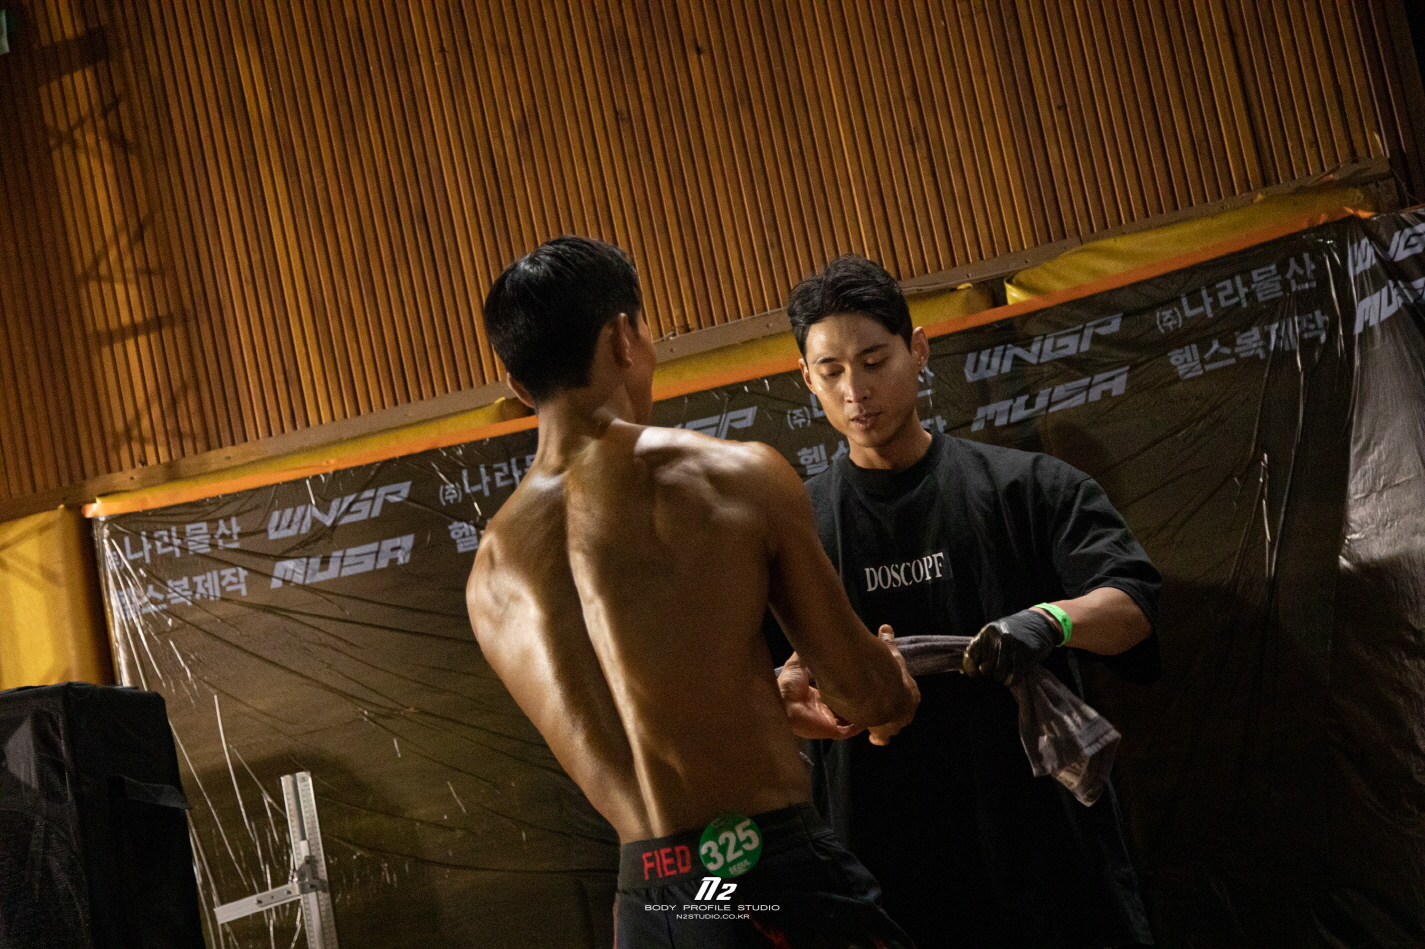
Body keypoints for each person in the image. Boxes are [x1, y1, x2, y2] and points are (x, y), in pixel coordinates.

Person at [466, 236, 920, 949]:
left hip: (650, 902)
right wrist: (890, 680)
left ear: (520, 386)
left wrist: (763, 699)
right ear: (623, 337)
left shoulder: (489, 570)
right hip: (765, 874)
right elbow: (864, 696)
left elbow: (643, 715)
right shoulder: (729, 478)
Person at [775, 254, 1161, 949]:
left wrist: (1049, 621)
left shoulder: (1026, 486)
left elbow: (1132, 605)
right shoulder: (792, 533)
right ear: (807, 379)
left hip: (1042, 853)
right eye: (831, 372)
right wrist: (788, 694)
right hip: (883, 863)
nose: (855, 390)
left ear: (918, 349)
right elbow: (739, 683)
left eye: (873, 360)